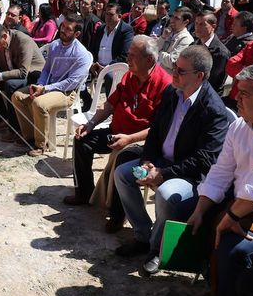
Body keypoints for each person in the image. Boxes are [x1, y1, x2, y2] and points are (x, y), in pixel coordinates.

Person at [114, 45, 229, 276]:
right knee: (123, 174)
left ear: (199, 76)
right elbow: (155, 132)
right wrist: (147, 161)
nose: (173, 73)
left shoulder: (213, 110)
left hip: (190, 174)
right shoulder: (171, 93)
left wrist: (163, 173)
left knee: (166, 194)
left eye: (181, 71)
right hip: (160, 162)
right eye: (175, 68)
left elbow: (204, 160)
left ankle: (157, 248)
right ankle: (143, 235)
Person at [187, 62, 253, 296]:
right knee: (197, 219)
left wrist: (232, 215)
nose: (235, 97)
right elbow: (221, 171)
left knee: (231, 248)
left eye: (245, 93)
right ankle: (218, 290)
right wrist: (201, 209)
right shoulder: (238, 126)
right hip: (240, 203)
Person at [64, 36, 172, 226]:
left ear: (149, 60)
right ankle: (84, 191)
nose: (127, 59)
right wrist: (90, 125)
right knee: (82, 140)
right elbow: (110, 105)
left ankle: (117, 213)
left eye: (132, 56)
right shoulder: (130, 75)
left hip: (141, 140)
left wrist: (129, 139)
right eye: (128, 55)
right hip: (117, 131)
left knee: (122, 157)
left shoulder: (165, 85)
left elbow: (157, 129)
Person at [11, 15, 92, 155]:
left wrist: (45, 89)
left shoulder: (81, 54)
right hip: (49, 86)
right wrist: (40, 84)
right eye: (63, 26)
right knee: (17, 96)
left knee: (39, 103)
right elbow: (47, 69)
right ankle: (30, 137)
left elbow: (71, 82)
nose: (63, 30)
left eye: (68, 29)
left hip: (67, 92)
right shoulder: (55, 45)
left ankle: (41, 145)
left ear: (77, 34)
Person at [0, 23, 45, 131]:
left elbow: (23, 71)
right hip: (15, 74)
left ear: (5, 36)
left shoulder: (22, 40)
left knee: (10, 84)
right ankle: (2, 118)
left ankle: (16, 128)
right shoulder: (1, 45)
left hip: (34, 76)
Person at [193, 11, 231, 95]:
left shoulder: (220, 53)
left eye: (202, 24)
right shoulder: (193, 44)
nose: (197, 27)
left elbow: (213, 81)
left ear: (213, 27)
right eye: (196, 23)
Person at [156, 6, 194, 74]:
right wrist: (163, 37)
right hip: (157, 71)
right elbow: (155, 48)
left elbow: (173, 62)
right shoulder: (168, 32)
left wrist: (158, 53)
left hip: (168, 78)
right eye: (172, 16)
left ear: (185, 22)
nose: (172, 20)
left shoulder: (186, 39)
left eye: (177, 18)